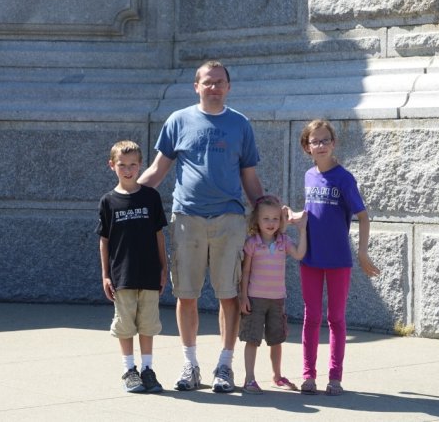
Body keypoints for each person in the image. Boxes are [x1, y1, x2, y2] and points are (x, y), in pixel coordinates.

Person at [138, 60, 264, 393]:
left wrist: (268, 211)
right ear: (196, 86)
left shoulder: (241, 125)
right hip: (187, 220)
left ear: (228, 87)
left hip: (230, 220)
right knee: (187, 295)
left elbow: (250, 179)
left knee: (228, 295)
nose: (214, 87)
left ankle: (225, 365)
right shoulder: (178, 121)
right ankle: (189, 364)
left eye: (220, 82)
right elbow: (157, 171)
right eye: (208, 82)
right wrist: (126, 196)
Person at [293, 119, 380, 396]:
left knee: (336, 319)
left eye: (325, 140)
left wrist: (363, 251)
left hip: (339, 260)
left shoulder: (344, 178)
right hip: (310, 258)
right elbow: (312, 214)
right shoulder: (308, 176)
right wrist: (294, 218)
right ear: (307, 147)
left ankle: (335, 377)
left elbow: (363, 217)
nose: (320, 145)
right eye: (314, 141)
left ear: (334, 143)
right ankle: (308, 376)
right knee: (311, 317)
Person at [97, 140, 168, 394]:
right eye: (122, 165)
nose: (128, 170)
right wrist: (106, 275)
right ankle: (130, 370)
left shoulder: (151, 197)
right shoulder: (108, 202)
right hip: (122, 276)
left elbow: (159, 235)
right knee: (125, 324)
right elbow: (104, 241)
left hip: (149, 273)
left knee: (148, 323)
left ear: (141, 166)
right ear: (112, 166)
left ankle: (148, 370)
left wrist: (164, 267)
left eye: (133, 165)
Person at [238, 195, 307, 394]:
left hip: (277, 299)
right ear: (256, 221)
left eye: (275, 218)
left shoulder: (284, 241)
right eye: (266, 218)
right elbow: (246, 272)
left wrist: (302, 229)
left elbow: (300, 254)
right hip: (255, 299)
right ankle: (249, 378)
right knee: (252, 339)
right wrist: (243, 297)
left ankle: (277, 376)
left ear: (281, 220)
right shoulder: (251, 243)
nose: (271, 223)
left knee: (276, 340)